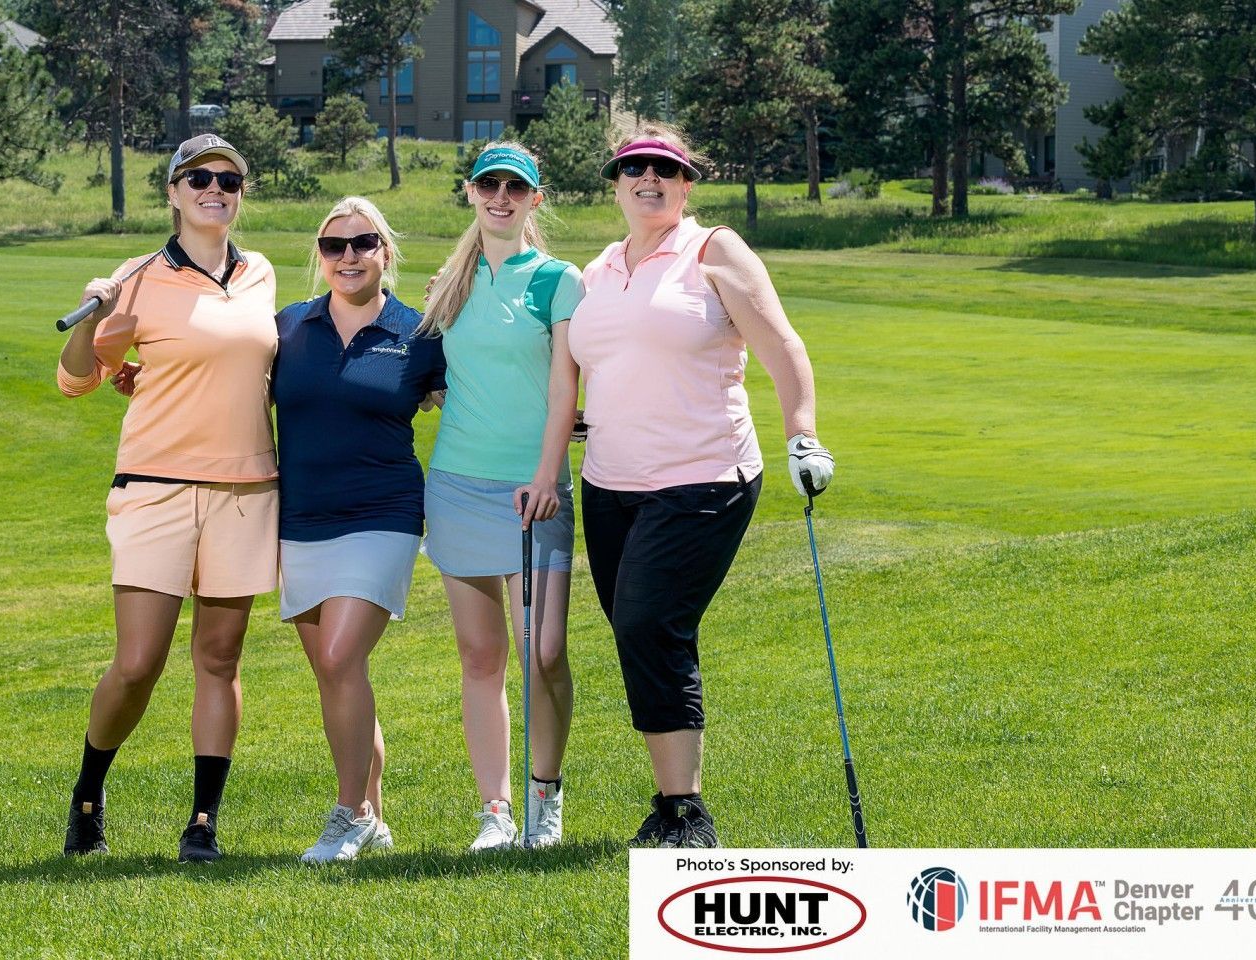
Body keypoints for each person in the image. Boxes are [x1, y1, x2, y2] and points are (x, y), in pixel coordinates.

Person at [567, 125, 836, 849]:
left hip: (703, 476)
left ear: (686, 185)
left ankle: (687, 812)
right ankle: (667, 806)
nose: (647, 178)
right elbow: (612, 362)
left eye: (664, 169)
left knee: (651, 622)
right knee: (635, 632)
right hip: (610, 483)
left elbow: (782, 343)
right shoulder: (597, 269)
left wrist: (801, 433)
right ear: (615, 183)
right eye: (633, 168)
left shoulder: (711, 248)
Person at [56, 134, 278, 863]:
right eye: (200, 178)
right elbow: (78, 379)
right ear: (174, 192)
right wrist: (93, 316)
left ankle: (202, 823)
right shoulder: (136, 277)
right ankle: (88, 793)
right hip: (154, 488)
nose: (216, 189)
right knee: (138, 662)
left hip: (245, 491)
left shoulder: (261, 274)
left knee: (219, 659)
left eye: (229, 180)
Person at [419, 142, 581, 849]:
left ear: (535, 200)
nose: (501, 197)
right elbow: (435, 369)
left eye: (516, 188)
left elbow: (565, 388)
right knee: (480, 658)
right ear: (470, 192)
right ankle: (496, 811)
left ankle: (545, 794)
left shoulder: (556, 281)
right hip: (456, 484)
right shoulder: (447, 284)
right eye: (489, 185)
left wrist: (547, 475)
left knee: (542, 650)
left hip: (533, 490)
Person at [275, 197, 447, 862]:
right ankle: (371, 816)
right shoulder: (288, 328)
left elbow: (479, 391)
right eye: (334, 245)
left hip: (383, 513)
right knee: (335, 676)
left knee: (343, 660)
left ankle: (347, 814)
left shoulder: (420, 330)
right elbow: (223, 385)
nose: (348, 256)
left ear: (384, 253)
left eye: (362, 243)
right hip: (300, 520)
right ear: (320, 258)